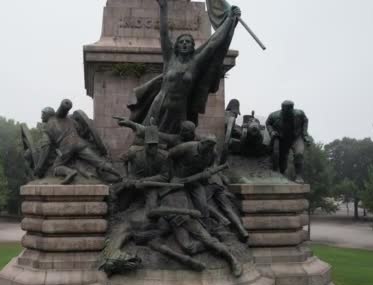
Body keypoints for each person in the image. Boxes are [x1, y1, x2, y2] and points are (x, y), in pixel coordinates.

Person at [127, 0, 241, 134]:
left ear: (192, 46)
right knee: (146, 138)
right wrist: (163, 8)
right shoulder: (170, 58)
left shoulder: (195, 62)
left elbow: (213, 44)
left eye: (188, 42)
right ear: (177, 46)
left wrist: (229, 20)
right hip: (159, 106)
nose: (185, 44)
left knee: (173, 141)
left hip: (180, 110)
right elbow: (163, 34)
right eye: (181, 42)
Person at [266, 100, 312, 183]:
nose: (287, 113)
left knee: (299, 154)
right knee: (283, 161)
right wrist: (272, 132)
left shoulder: (299, 114)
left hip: (296, 138)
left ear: (292, 109)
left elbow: (305, 120)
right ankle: (282, 174)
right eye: (285, 111)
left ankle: (299, 176)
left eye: (289, 111)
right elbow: (268, 123)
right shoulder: (274, 116)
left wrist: (305, 134)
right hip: (283, 139)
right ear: (282, 109)